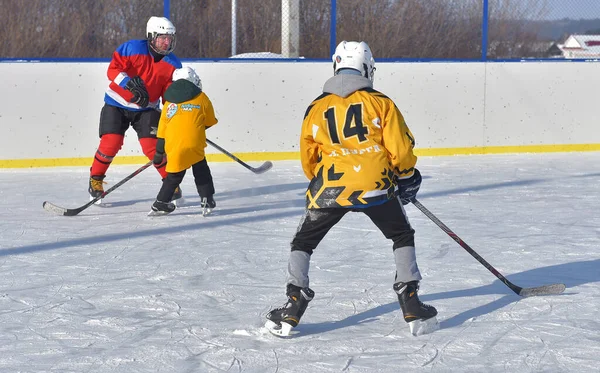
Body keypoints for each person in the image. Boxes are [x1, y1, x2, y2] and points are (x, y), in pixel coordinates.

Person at [264, 41, 438, 337]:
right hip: (376, 186)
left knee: (303, 242)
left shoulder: (316, 106)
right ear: (368, 69)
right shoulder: (381, 102)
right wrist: (406, 174)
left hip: (329, 187)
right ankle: (410, 301)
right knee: (401, 235)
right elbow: (400, 147)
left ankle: (293, 303)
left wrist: (318, 179)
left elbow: (308, 156)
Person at [88, 16, 183, 205]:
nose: (167, 42)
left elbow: (168, 95)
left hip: (147, 109)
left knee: (153, 147)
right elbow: (113, 70)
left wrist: (177, 112)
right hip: (117, 103)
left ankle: (170, 183)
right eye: (162, 37)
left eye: (169, 38)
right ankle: (95, 180)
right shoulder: (132, 48)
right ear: (151, 36)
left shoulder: (173, 65)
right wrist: (129, 84)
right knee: (111, 142)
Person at [149, 66, 218, 216]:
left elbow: (162, 131)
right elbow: (210, 120)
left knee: (174, 176)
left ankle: (160, 202)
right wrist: (197, 128)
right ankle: (207, 198)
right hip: (194, 143)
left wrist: (159, 153)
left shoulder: (169, 103)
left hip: (174, 144)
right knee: (201, 170)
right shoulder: (202, 97)